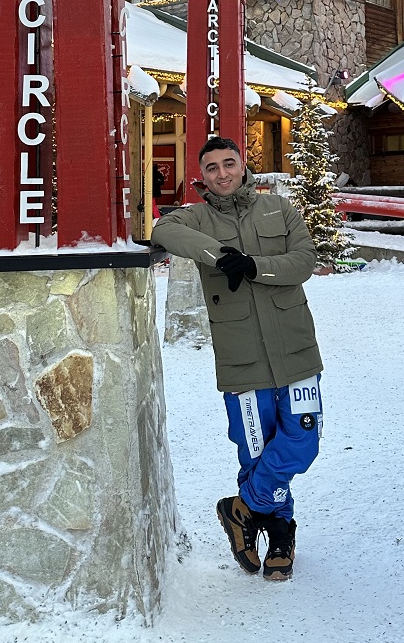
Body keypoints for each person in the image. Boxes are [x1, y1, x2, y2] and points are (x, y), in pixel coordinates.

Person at [151, 137, 322, 582]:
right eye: (212, 168)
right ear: (202, 176)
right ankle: (281, 534)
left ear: (243, 165)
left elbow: (304, 260)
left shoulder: (278, 209)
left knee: (304, 442)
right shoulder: (197, 216)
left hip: (296, 349)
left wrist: (254, 267)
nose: (222, 173)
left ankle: (243, 506)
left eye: (229, 163)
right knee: (256, 450)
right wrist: (221, 255)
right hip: (241, 358)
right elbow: (162, 231)